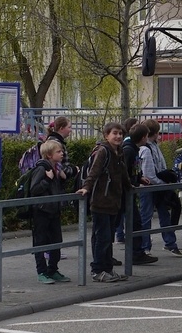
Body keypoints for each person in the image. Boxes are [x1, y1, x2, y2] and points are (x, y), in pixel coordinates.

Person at [77, 122, 129, 283]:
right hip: (101, 201)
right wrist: (86, 187)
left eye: (120, 133)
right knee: (102, 237)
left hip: (113, 201)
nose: (118, 136)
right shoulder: (103, 151)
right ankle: (98, 270)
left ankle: (108, 268)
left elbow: (123, 173)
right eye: (115, 133)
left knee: (108, 237)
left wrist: (131, 185)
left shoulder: (119, 152)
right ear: (106, 135)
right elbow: (94, 172)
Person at [27, 139, 70, 284]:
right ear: (50, 155)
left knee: (57, 241)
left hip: (54, 209)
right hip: (42, 211)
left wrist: (62, 179)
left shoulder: (56, 168)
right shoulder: (42, 168)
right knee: (41, 242)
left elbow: (56, 188)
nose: (62, 153)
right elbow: (35, 189)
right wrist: (47, 179)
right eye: (58, 151)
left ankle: (53, 269)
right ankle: (42, 271)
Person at [140, 118, 182, 256]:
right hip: (149, 188)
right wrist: (163, 183)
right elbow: (149, 174)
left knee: (164, 214)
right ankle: (145, 246)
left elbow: (160, 164)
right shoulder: (146, 149)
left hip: (158, 186)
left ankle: (170, 243)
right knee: (146, 216)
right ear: (154, 133)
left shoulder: (154, 146)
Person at [123, 121, 158, 265]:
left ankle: (137, 253)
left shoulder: (135, 149)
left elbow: (133, 169)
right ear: (143, 137)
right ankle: (135, 254)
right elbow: (124, 170)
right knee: (134, 222)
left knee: (136, 222)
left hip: (129, 189)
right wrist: (131, 181)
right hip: (124, 192)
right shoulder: (129, 150)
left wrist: (139, 178)